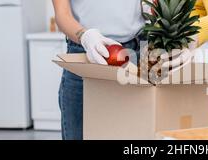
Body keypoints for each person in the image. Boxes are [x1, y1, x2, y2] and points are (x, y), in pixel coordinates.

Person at [52, 0, 145, 140]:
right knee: (78, 134)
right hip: (84, 53)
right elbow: (62, 14)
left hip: (135, 53)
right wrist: (85, 36)